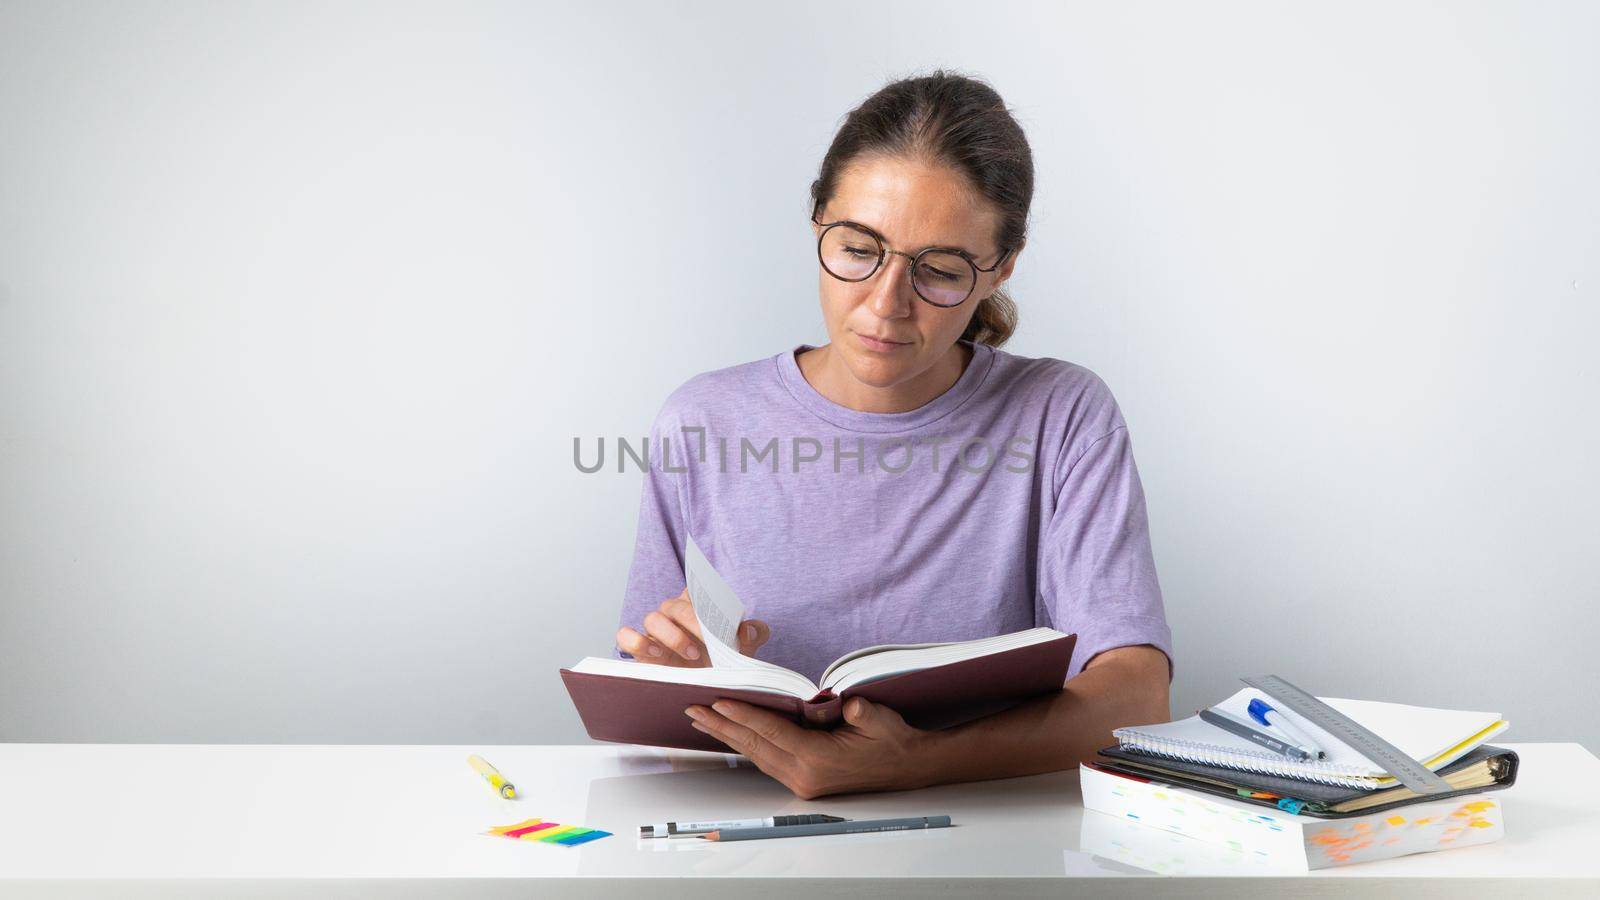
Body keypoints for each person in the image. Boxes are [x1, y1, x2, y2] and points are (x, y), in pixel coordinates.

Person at [613, 69, 1173, 799]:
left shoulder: (1061, 414)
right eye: (856, 249)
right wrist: (680, 674)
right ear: (819, 220)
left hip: (985, 840)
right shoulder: (702, 421)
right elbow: (637, 702)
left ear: (1000, 266)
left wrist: (909, 762)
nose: (885, 305)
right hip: (752, 836)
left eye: (939, 271)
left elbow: (1136, 701)